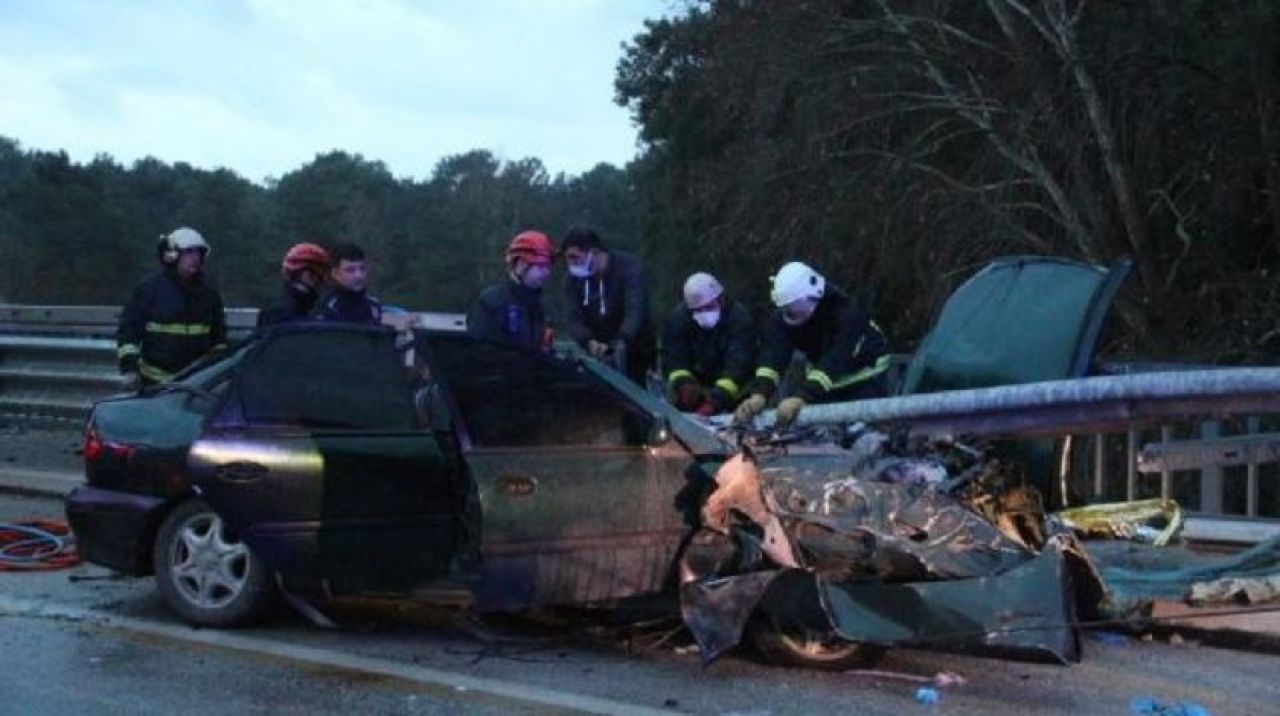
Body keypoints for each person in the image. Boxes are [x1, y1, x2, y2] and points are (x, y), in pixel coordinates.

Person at [734, 261, 890, 429]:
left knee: (859, 431)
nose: (791, 312)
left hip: (865, 375)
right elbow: (773, 357)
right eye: (786, 307)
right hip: (824, 380)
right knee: (818, 434)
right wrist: (760, 394)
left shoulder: (846, 314)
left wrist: (803, 396)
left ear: (816, 294)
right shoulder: (782, 319)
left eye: (796, 305)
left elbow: (836, 359)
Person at [116, 227, 227, 389]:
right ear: (171, 256)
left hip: (197, 384)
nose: (195, 258)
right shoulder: (149, 290)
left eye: (198, 253)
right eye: (189, 252)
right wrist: (129, 369)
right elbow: (128, 333)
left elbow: (219, 337)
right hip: (154, 383)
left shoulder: (209, 294)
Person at [561, 226, 654, 383]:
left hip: (637, 350)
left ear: (594, 252)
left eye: (575, 257)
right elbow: (573, 317)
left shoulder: (629, 268)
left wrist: (622, 339)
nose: (571, 265)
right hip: (597, 351)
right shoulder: (572, 279)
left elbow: (636, 309)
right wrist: (587, 341)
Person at [661, 272, 756, 415]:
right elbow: (674, 359)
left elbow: (738, 365)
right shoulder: (678, 320)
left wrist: (715, 402)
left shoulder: (740, 320)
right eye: (697, 310)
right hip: (696, 391)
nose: (703, 313)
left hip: (735, 393)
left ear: (721, 299)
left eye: (709, 307)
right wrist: (683, 383)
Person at [467, 230, 556, 350]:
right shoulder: (490, 303)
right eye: (540, 266)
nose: (546, 273)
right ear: (520, 264)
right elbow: (480, 353)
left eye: (547, 267)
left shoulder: (542, 308)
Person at [257, 242, 330, 328]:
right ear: (306, 273)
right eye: (319, 273)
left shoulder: (277, 302)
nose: (322, 279)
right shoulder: (287, 308)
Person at [314, 242, 382, 325]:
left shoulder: (373, 305)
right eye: (350, 270)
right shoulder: (327, 307)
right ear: (335, 274)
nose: (358, 276)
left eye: (362, 269)